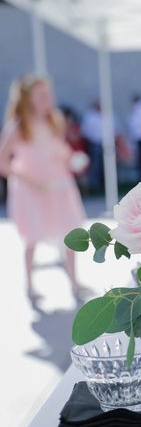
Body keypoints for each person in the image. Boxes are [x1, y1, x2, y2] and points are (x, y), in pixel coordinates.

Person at [0, 76, 86, 299]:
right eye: (41, 95)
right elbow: (3, 162)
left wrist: (73, 159)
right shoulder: (19, 126)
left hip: (59, 185)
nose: (47, 99)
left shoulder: (55, 120)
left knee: (70, 233)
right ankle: (29, 285)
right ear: (28, 99)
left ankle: (75, 282)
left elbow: (58, 150)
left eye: (48, 93)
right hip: (32, 190)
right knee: (33, 237)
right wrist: (27, 178)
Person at [80, 101, 104, 191]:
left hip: (105, 143)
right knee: (95, 165)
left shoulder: (104, 114)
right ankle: (95, 184)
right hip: (94, 143)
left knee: (104, 165)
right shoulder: (89, 116)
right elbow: (86, 131)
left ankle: (102, 183)